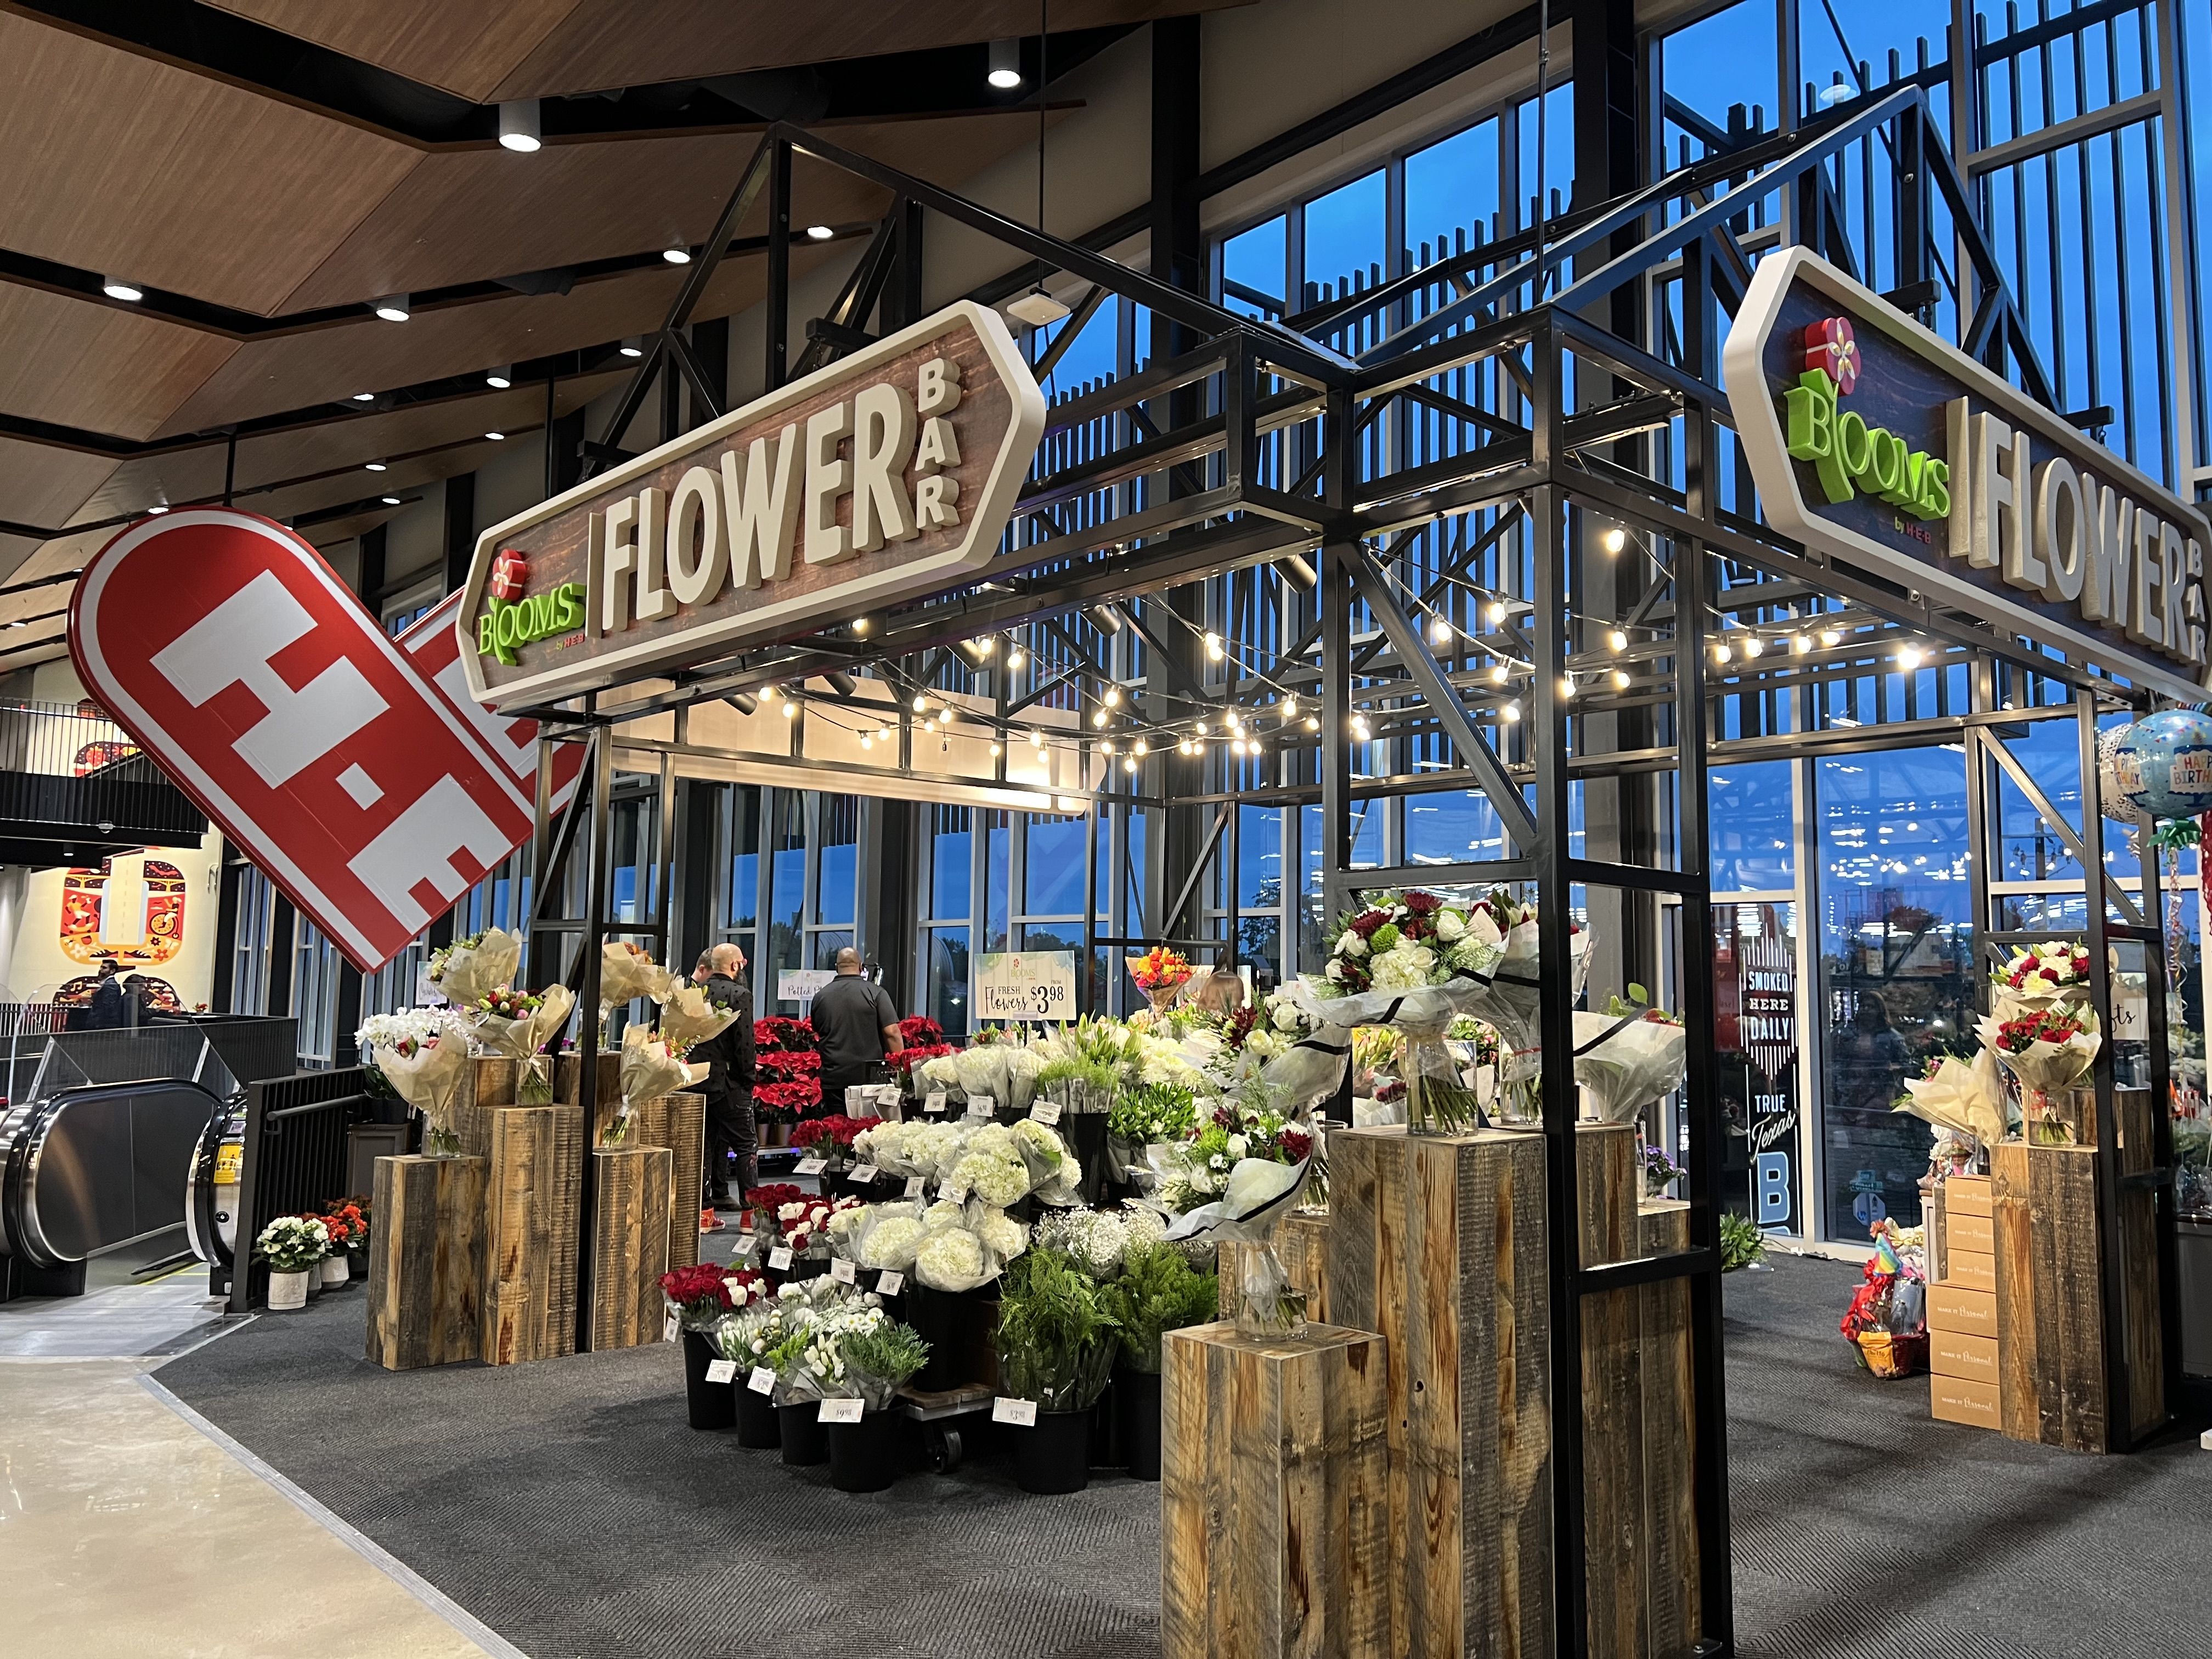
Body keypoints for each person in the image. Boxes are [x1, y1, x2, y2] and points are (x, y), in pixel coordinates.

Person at [695, 943, 757, 1208]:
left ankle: (704, 1212)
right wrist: (749, 1079)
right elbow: (745, 1044)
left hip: (697, 1083)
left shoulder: (695, 992)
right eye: (742, 963)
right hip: (729, 1085)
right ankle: (750, 1213)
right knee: (746, 1146)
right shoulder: (740, 994)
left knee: (704, 1147)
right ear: (734, 966)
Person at [808, 947, 903, 1112]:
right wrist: (900, 1069)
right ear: (861, 967)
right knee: (868, 1131)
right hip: (869, 1080)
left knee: (838, 1130)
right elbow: (892, 1032)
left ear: (836, 967)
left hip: (834, 1079)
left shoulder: (820, 997)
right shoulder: (876, 993)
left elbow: (817, 1031)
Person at [84, 961, 123, 1029]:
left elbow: (108, 1005)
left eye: (104, 968)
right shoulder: (106, 983)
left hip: (104, 1022)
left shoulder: (111, 985)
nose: (101, 970)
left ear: (112, 971)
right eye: (101, 967)